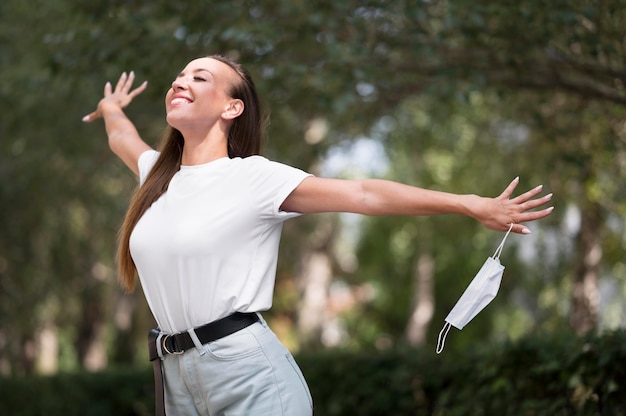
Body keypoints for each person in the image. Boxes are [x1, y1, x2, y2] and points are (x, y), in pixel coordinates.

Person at [83, 54, 553, 416]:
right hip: (175, 378)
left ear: (232, 107)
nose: (180, 82)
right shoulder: (156, 177)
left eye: (199, 77)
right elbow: (122, 136)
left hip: (247, 373)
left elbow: (365, 193)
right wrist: (109, 107)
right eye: (178, 77)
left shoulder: (254, 179)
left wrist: (468, 203)